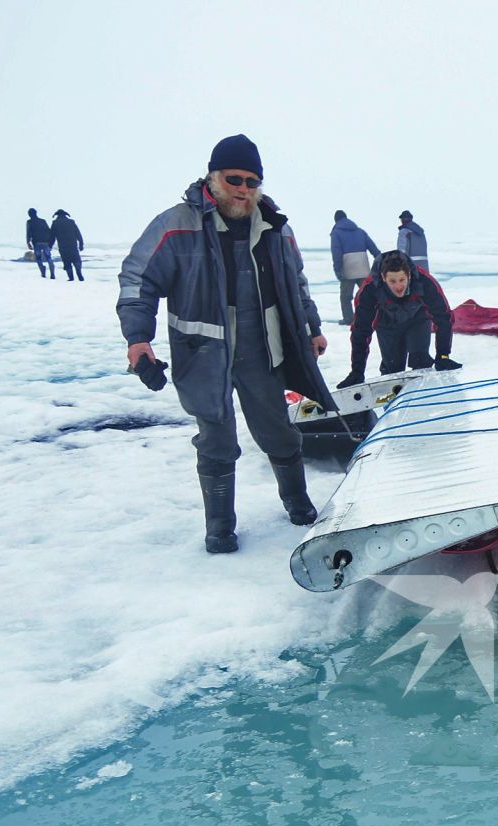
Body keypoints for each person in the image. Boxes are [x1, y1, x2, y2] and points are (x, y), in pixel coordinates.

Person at [118, 134, 336, 555]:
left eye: (252, 181)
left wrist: (311, 327)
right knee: (216, 440)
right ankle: (219, 526)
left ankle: (297, 503)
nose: (243, 188)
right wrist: (137, 339)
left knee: (279, 430)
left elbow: (297, 283)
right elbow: (138, 280)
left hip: (262, 349)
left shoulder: (275, 227)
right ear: (213, 177)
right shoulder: (177, 224)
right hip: (202, 354)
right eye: (234, 178)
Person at [340, 250, 458, 385]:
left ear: (409, 275)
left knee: (420, 359)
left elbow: (443, 317)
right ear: (383, 278)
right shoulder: (369, 289)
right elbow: (360, 331)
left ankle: (423, 394)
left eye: (402, 280)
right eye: (392, 281)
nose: (398, 286)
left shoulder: (424, 281)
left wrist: (443, 355)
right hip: (387, 324)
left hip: (417, 320)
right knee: (393, 368)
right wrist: (357, 370)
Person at [328, 210, 379, 326]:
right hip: (363, 267)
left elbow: (336, 252)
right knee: (368, 295)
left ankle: (349, 319)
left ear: (336, 220)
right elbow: (373, 248)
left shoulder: (336, 233)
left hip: (348, 269)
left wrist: (338, 270)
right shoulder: (360, 231)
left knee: (346, 297)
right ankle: (374, 317)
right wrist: (380, 260)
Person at [50, 209, 84, 281]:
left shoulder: (55, 223)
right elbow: (78, 233)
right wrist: (81, 244)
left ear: (57, 215)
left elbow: (52, 236)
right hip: (73, 245)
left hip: (63, 246)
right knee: (76, 260)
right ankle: (79, 275)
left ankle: (71, 278)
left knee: (66, 262)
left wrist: (50, 246)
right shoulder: (71, 222)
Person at [26, 208, 54, 279]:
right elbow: (48, 231)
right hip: (45, 242)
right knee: (49, 258)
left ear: (29, 214)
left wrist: (28, 242)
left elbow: (28, 233)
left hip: (36, 242)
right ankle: (52, 273)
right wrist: (50, 241)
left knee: (38, 258)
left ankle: (43, 271)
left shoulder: (29, 222)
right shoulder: (42, 221)